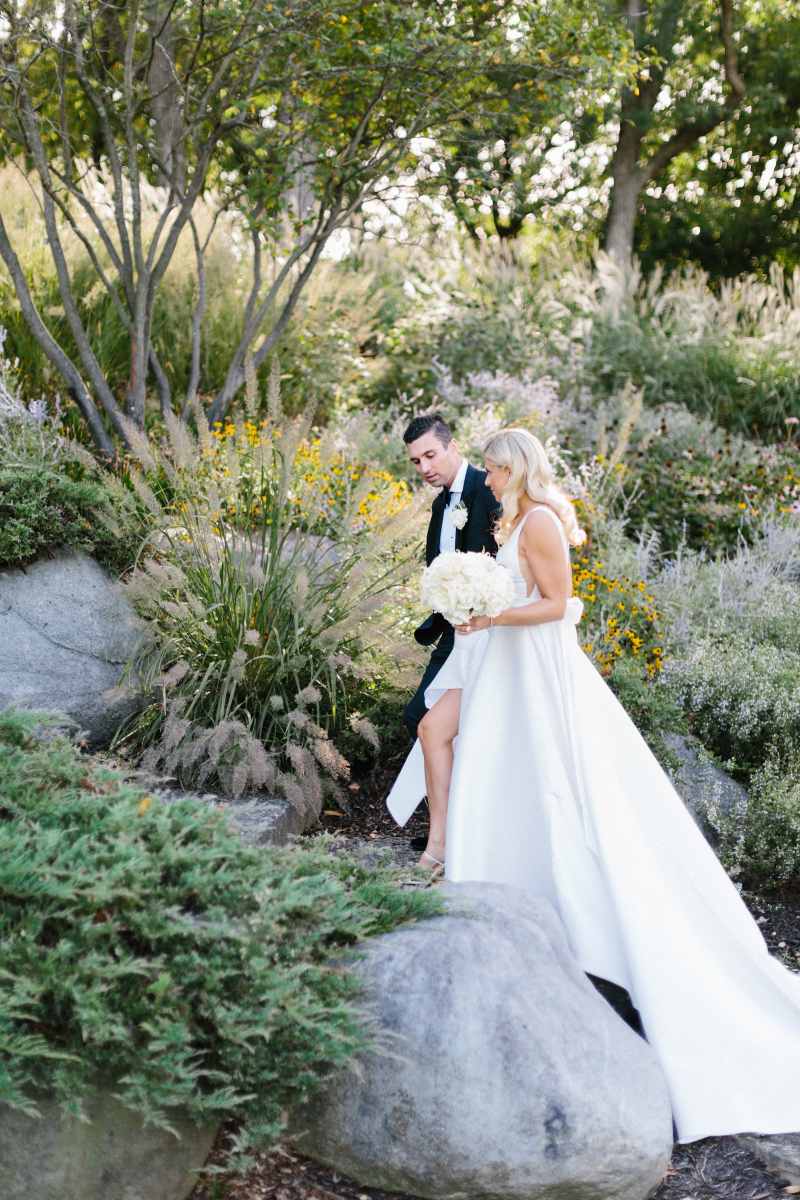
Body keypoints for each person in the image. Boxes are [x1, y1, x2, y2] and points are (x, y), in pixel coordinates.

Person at [386, 426, 800, 1146]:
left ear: (518, 467)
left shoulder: (542, 520)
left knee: (559, 783)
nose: (489, 476)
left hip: (537, 665)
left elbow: (556, 604)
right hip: (504, 663)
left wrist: (493, 614)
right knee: (498, 767)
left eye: (495, 466)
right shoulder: (514, 519)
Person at [401, 412, 500, 852]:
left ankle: (458, 831)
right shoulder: (442, 504)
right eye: (416, 461)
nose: (424, 467)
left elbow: (502, 565)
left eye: (430, 455)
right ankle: (451, 826)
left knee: (441, 723)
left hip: (490, 632)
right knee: (418, 718)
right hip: (454, 632)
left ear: (452, 446)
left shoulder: (488, 489)